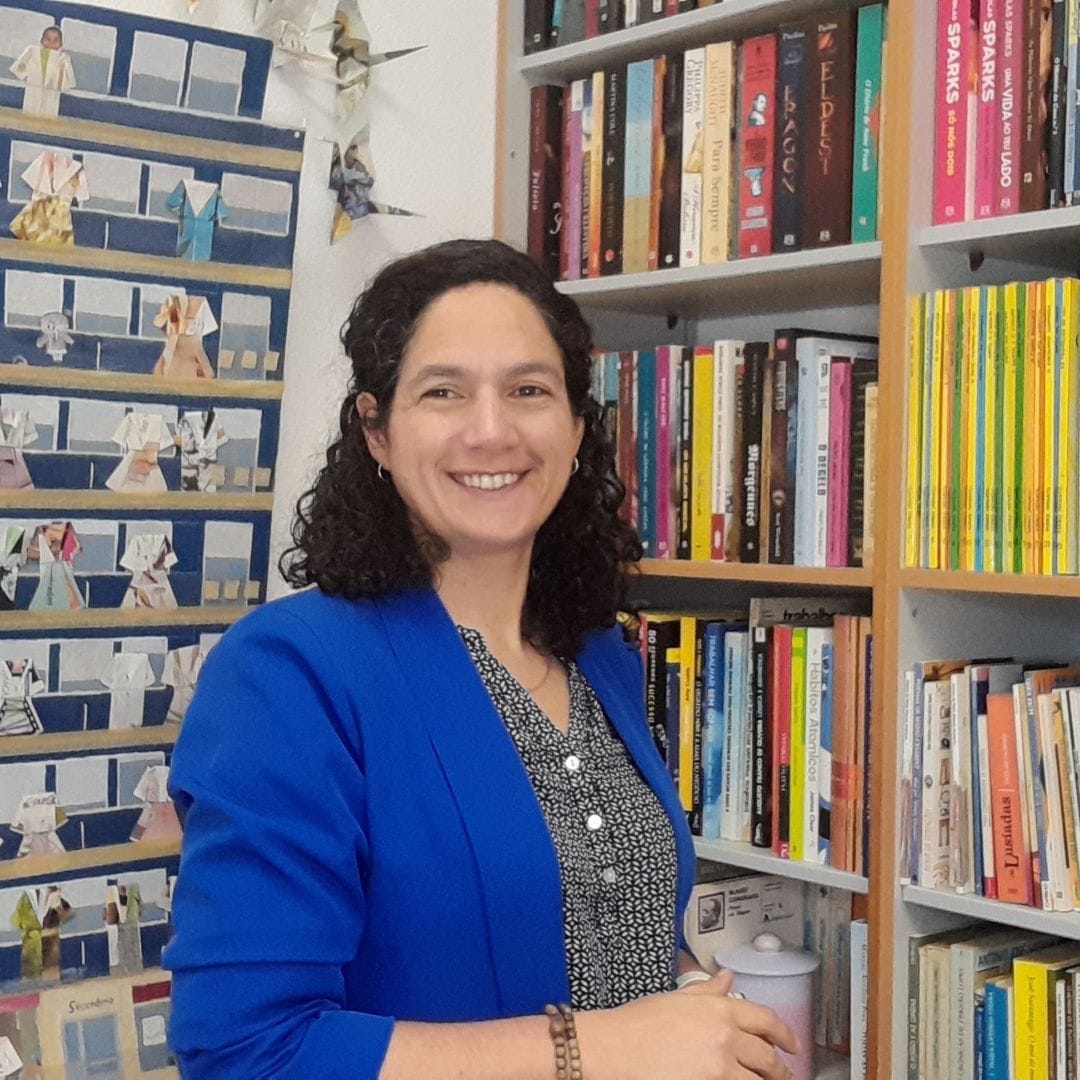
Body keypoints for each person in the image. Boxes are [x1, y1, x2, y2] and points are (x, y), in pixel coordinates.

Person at [164, 238, 797, 1079]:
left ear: (576, 427)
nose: (492, 430)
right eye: (444, 391)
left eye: (529, 390)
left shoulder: (598, 651)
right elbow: (249, 1052)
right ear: (377, 430)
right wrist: (599, 1048)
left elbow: (610, 915)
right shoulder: (286, 676)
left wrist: (692, 1005)